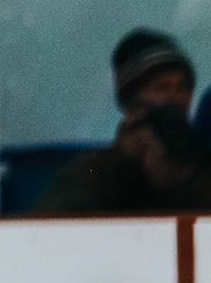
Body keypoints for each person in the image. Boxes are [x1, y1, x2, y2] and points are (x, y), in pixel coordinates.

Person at [37, 29, 211, 213]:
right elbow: (54, 221)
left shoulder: (201, 159)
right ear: (132, 101)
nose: (174, 97)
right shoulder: (93, 170)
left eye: (183, 87)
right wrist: (120, 163)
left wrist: (180, 182)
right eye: (161, 87)